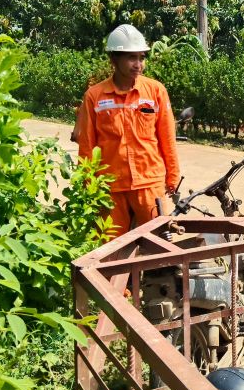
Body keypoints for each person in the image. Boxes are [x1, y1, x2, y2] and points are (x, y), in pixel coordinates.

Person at [77, 24, 180, 239]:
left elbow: (167, 138)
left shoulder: (155, 91)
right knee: (110, 251)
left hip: (149, 182)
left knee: (159, 245)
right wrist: (88, 185)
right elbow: (87, 145)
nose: (138, 64)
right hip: (109, 188)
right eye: (131, 58)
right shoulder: (94, 96)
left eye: (141, 58)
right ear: (114, 60)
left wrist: (173, 176)